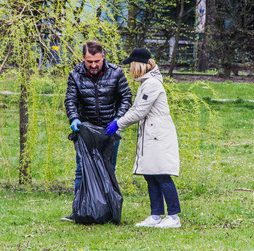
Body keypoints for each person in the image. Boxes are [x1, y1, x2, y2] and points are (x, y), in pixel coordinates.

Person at [105, 48, 181, 228]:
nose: (129, 69)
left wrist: (119, 124)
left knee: (162, 174)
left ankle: (173, 216)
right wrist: (119, 121)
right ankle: (155, 215)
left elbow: (140, 111)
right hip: (150, 135)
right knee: (150, 175)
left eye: (131, 65)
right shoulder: (145, 83)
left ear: (138, 65)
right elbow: (136, 109)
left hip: (158, 136)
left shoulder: (152, 84)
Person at [62, 41, 132, 221]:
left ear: (103, 57)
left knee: (108, 168)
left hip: (109, 131)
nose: (93, 65)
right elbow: (70, 99)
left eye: (96, 61)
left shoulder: (116, 73)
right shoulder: (75, 75)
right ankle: (80, 209)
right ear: (83, 59)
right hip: (86, 132)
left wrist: (118, 119)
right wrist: (74, 118)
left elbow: (125, 97)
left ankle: (108, 210)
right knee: (81, 170)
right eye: (89, 61)